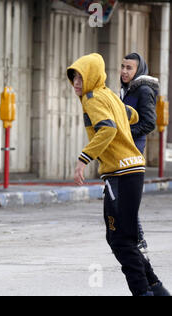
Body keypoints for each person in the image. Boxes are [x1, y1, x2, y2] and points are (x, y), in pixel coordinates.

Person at [67, 53, 169, 296]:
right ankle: (156, 288)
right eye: (73, 79)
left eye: (81, 78)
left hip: (121, 173)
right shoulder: (109, 95)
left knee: (121, 242)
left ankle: (143, 291)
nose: (77, 84)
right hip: (132, 170)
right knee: (126, 239)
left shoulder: (93, 99)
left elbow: (107, 129)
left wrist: (83, 160)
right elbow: (131, 115)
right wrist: (122, 118)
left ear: (92, 76)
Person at [120, 53, 160, 255]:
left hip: (133, 148)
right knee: (120, 193)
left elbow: (148, 123)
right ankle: (134, 239)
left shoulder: (143, 90)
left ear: (138, 70)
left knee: (125, 194)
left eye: (129, 68)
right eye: (123, 66)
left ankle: (139, 240)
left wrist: (124, 134)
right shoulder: (126, 90)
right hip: (123, 147)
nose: (124, 71)